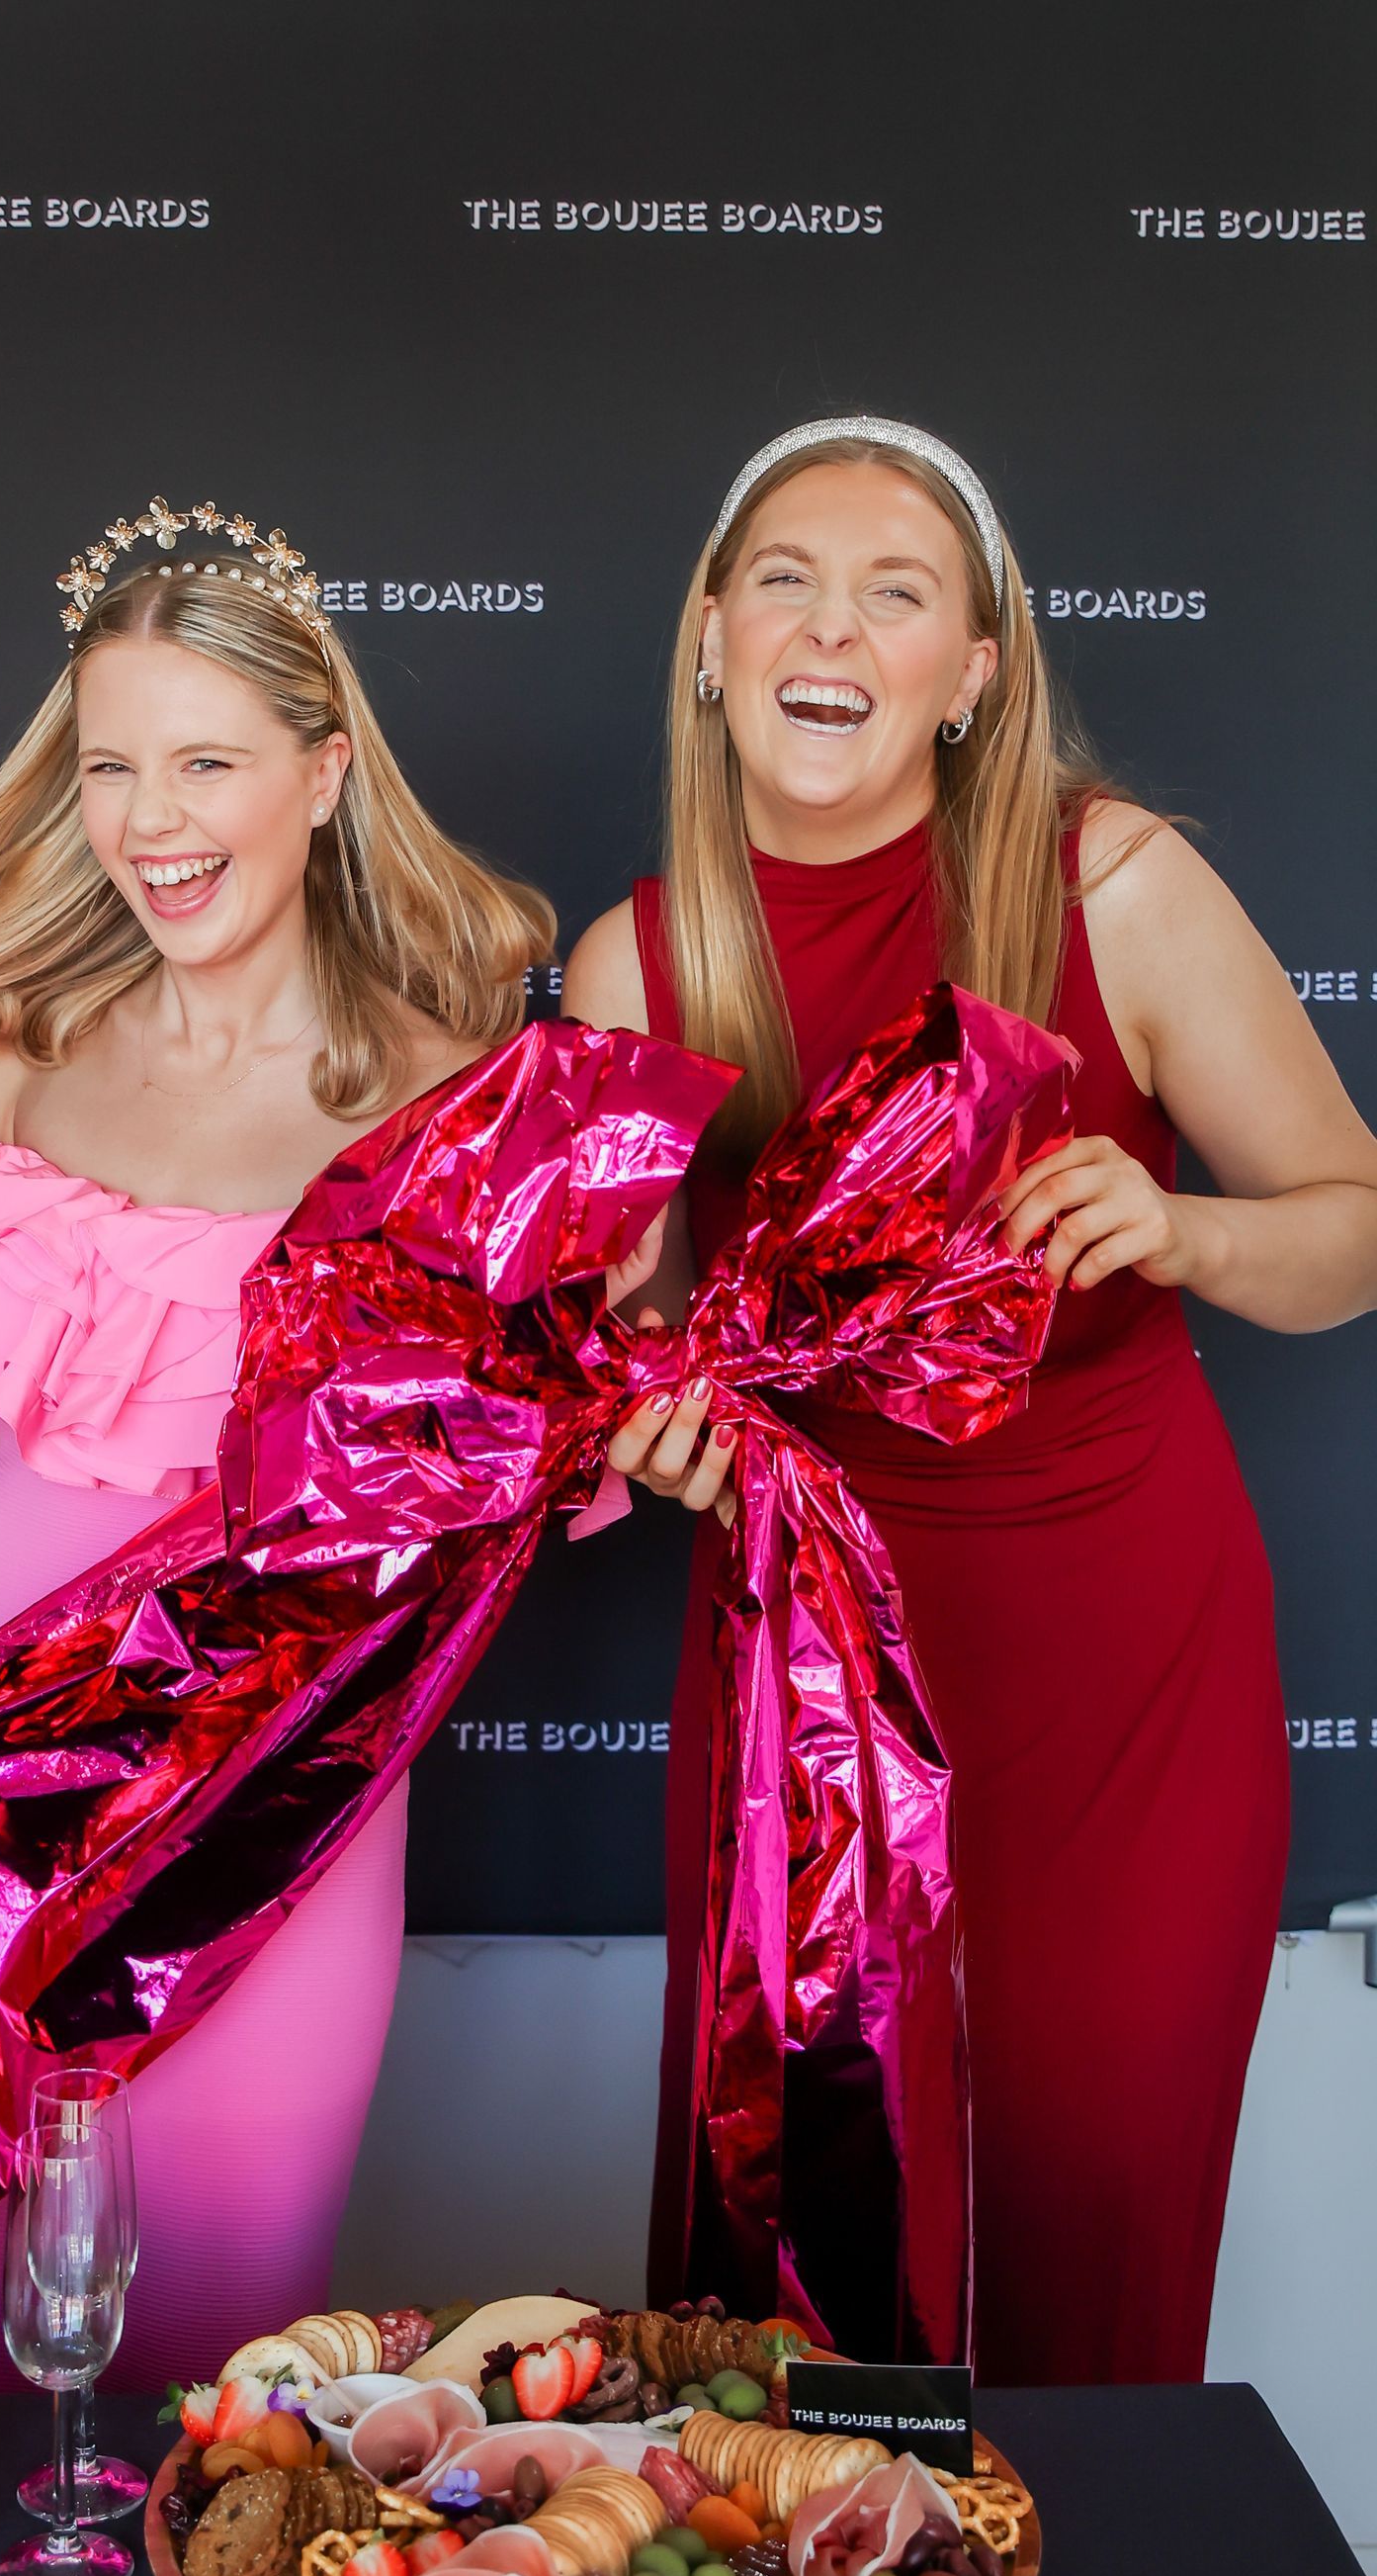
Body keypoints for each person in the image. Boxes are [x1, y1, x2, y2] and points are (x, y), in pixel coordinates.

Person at [565, 416, 1377, 2384]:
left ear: (973, 673)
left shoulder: (1113, 884)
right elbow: (620, 1353)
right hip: (805, 1688)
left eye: (896, 592)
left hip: (1122, 1677)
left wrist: (1177, 1229)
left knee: (1098, 2224)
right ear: (709, 636)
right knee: (810, 2256)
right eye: (786, 579)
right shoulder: (634, 964)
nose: (831, 627)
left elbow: (1352, 1230)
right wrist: (648, 1418)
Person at [0, 499, 557, 2386]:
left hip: (284, 1775)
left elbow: (506, 1479)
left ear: (325, 776)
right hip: (5, 1739)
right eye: (112, 768)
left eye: (207, 763)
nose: (154, 821)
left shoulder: (441, 1098)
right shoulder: (38, 1051)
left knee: (226, 2293)